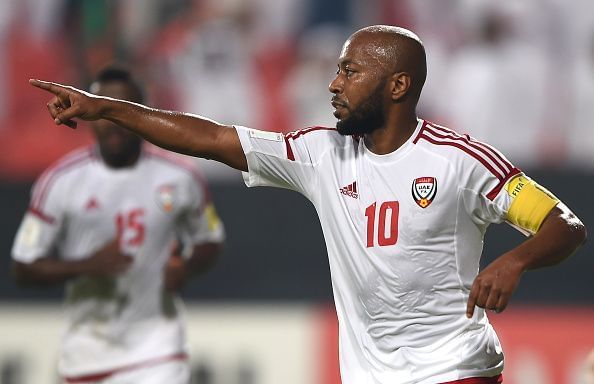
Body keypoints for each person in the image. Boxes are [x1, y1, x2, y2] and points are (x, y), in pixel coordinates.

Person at [29, 26, 586, 384]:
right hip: (370, 376)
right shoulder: (321, 154)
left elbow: (564, 225)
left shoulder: (460, 160)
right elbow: (212, 139)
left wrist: (515, 260)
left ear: (397, 86)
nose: (333, 84)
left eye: (350, 70)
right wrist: (106, 108)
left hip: (454, 368)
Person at [13, 65, 225, 384]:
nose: (113, 125)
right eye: (103, 112)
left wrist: (187, 265)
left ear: (140, 115)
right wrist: (87, 265)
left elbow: (210, 239)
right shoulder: (61, 181)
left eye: (121, 112)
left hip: (158, 348)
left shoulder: (180, 177)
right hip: (86, 353)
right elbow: (23, 266)